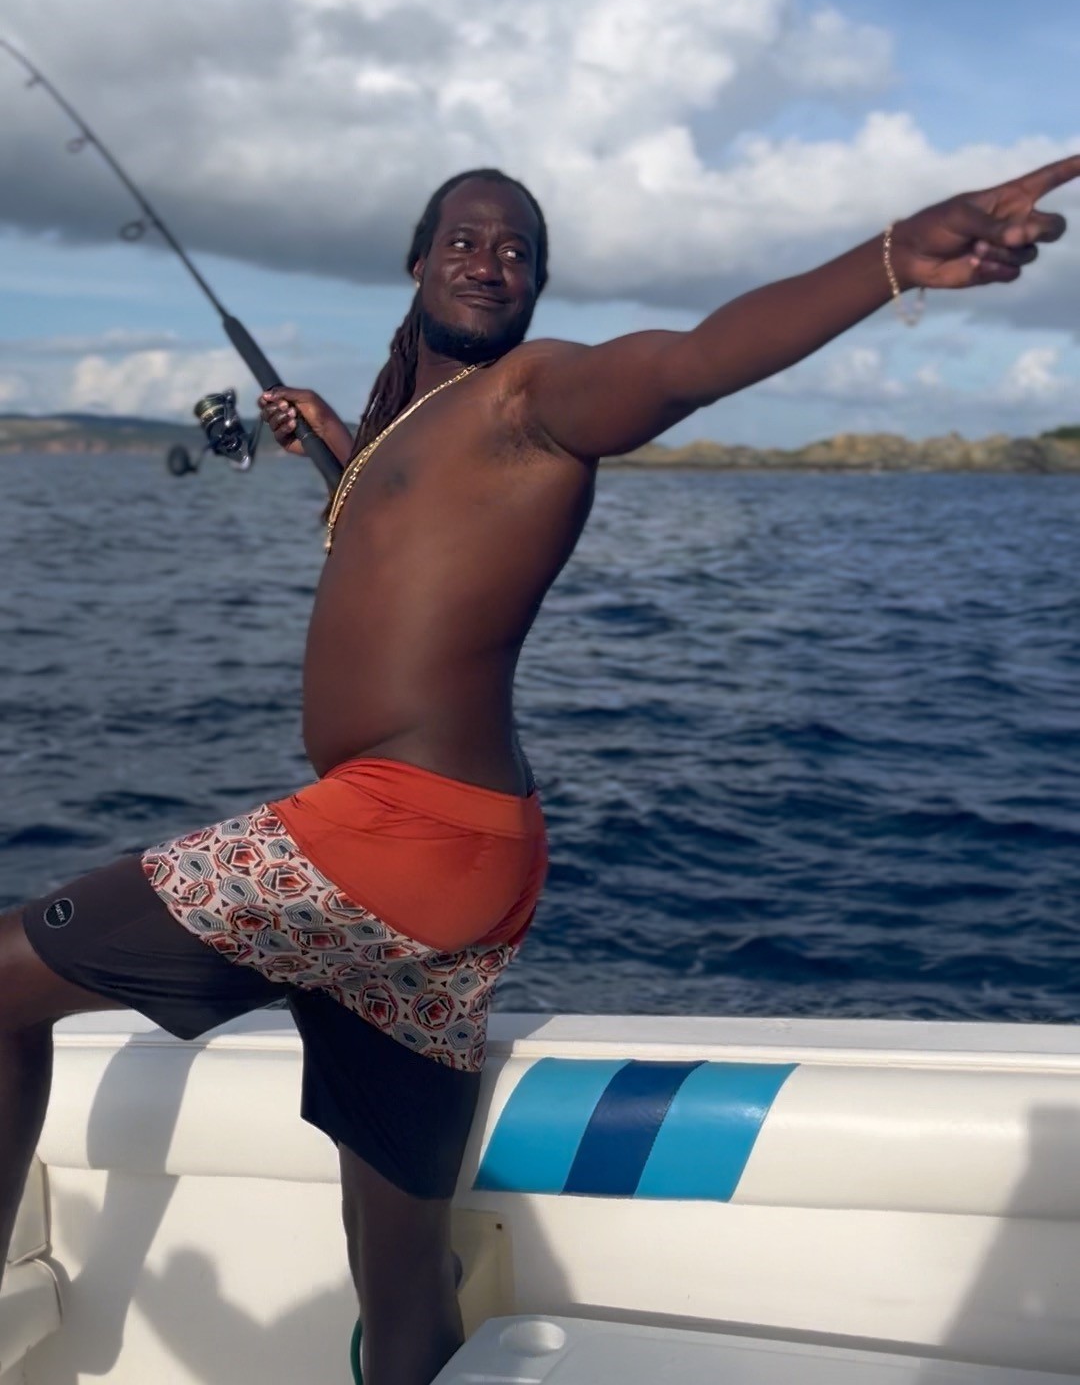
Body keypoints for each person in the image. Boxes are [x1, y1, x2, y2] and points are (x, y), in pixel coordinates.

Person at [1, 155, 1077, 1385]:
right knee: (396, 1262)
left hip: (381, 837)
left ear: (535, 289)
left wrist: (890, 259)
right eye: (464, 239)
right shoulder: (419, 430)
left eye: (516, 250)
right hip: (461, 872)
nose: (489, 259)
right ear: (418, 263)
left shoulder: (538, 393)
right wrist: (336, 441)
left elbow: (693, 358)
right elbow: (407, 518)